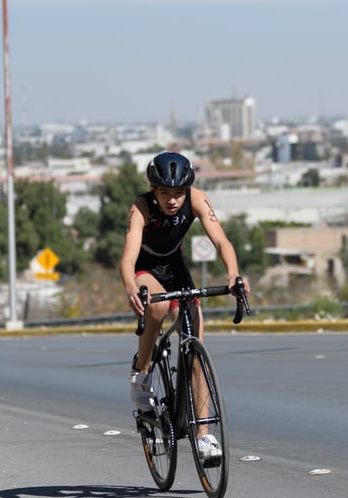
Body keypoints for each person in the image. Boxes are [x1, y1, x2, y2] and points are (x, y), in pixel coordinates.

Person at [120, 151, 250, 464]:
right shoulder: (140, 208)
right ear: (154, 190)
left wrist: (233, 273)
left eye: (178, 193)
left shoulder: (198, 199)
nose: (172, 200)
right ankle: (142, 369)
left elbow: (221, 241)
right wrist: (129, 286)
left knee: (196, 344)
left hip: (175, 266)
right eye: (165, 193)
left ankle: (204, 435)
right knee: (158, 308)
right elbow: (127, 256)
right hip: (145, 269)